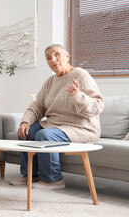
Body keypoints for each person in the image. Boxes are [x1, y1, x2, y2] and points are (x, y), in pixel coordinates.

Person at [10, 44, 104, 190]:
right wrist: (25, 121)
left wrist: (78, 95)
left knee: (44, 135)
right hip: (55, 125)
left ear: (67, 56)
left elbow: (98, 105)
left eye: (57, 54)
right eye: (48, 58)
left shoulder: (81, 75)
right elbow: (37, 105)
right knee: (25, 132)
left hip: (80, 127)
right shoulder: (51, 81)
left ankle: (54, 179)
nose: (53, 59)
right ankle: (30, 175)